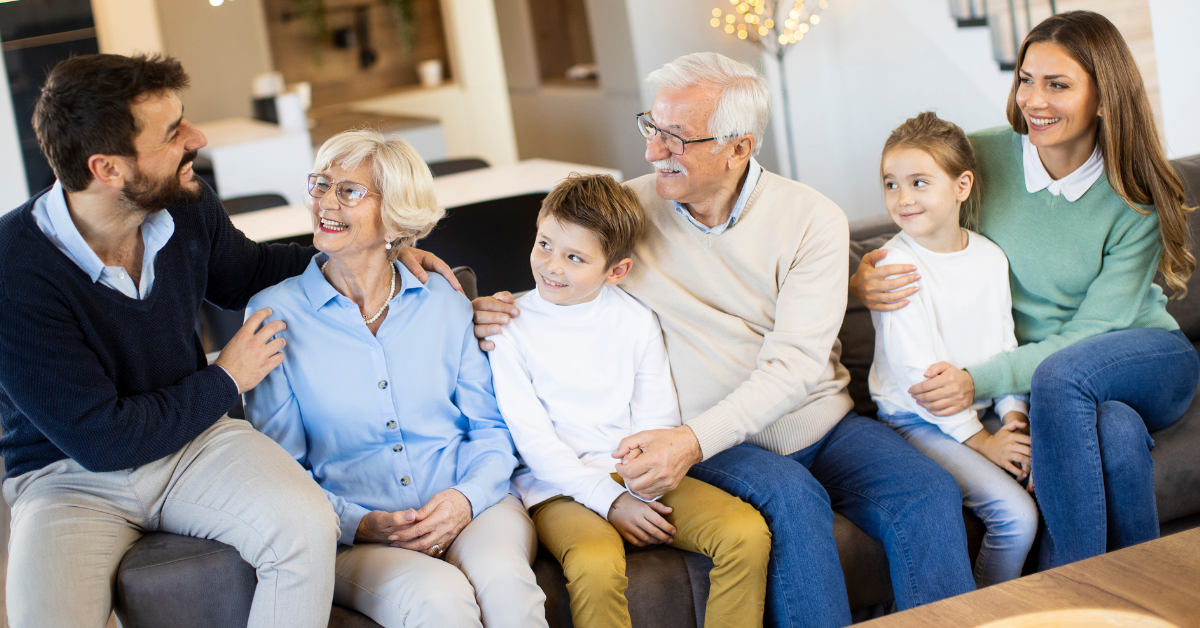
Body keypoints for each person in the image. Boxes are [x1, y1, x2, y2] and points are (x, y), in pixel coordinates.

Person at [471, 52, 975, 627]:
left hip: (813, 423)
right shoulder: (631, 211)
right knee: (793, 503)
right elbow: (562, 264)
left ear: (740, 146)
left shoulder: (812, 219)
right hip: (716, 441)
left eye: (676, 138)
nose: (652, 151)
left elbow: (796, 365)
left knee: (929, 493)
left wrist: (689, 441)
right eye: (651, 129)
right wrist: (489, 305)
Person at [0, 54, 463, 628]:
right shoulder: (12, 270)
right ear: (108, 169)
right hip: (68, 476)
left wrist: (375, 254)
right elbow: (100, 441)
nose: (197, 138)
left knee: (305, 526)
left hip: (197, 444)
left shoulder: (184, 209)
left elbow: (251, 269)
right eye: (173, 133)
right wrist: (226, 378)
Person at [850, 11, 1199, 569]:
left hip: (1144, 355)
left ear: (1104, 98)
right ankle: (1142, 587)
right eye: (1026, 79)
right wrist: (862, 280)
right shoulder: (984, 158)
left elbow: (1093, 333)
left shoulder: (1135, 192)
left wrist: (980, 382)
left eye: (1057, 85)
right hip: (1053, 383)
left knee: (1064, 376)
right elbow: (920, 221)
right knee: (1115, 432)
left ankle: (1068, 588)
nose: (1033, 100)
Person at [243, 129, 547, 628]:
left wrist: (465, 499)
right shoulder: (274, 314)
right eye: (321, 184)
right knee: (439, 599)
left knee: (507, 583)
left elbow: (490, 429)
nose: (325, 202)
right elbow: (282, 469)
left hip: (472, 503)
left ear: (395, 215)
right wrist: (357, 522)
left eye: (349, 191)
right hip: (353, 535)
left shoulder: (444, 302)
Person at [487, 173, 771, 628]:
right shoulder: (508, 328)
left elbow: (657, 419)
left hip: (635, 473)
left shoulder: (636, 319)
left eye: (575, 257)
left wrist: (640, 487)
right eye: (544, 245)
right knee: (596, 563)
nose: (551, 266)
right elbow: (534, 443)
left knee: (745, 533)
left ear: (616, 270)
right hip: (556, 487)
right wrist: (611, 501)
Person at [868, 111, 1038, 586]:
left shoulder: (989, 257)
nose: (903, 198)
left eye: (919, 182)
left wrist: (1011, 419)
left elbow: (1004, 349)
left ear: (961, 186)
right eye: (891, 184)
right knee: (1016, 518)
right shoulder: (895, 265)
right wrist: (983, 442)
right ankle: (987, 614)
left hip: (980, 414)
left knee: (1050, 480)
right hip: (917, 421)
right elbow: (922, 380)